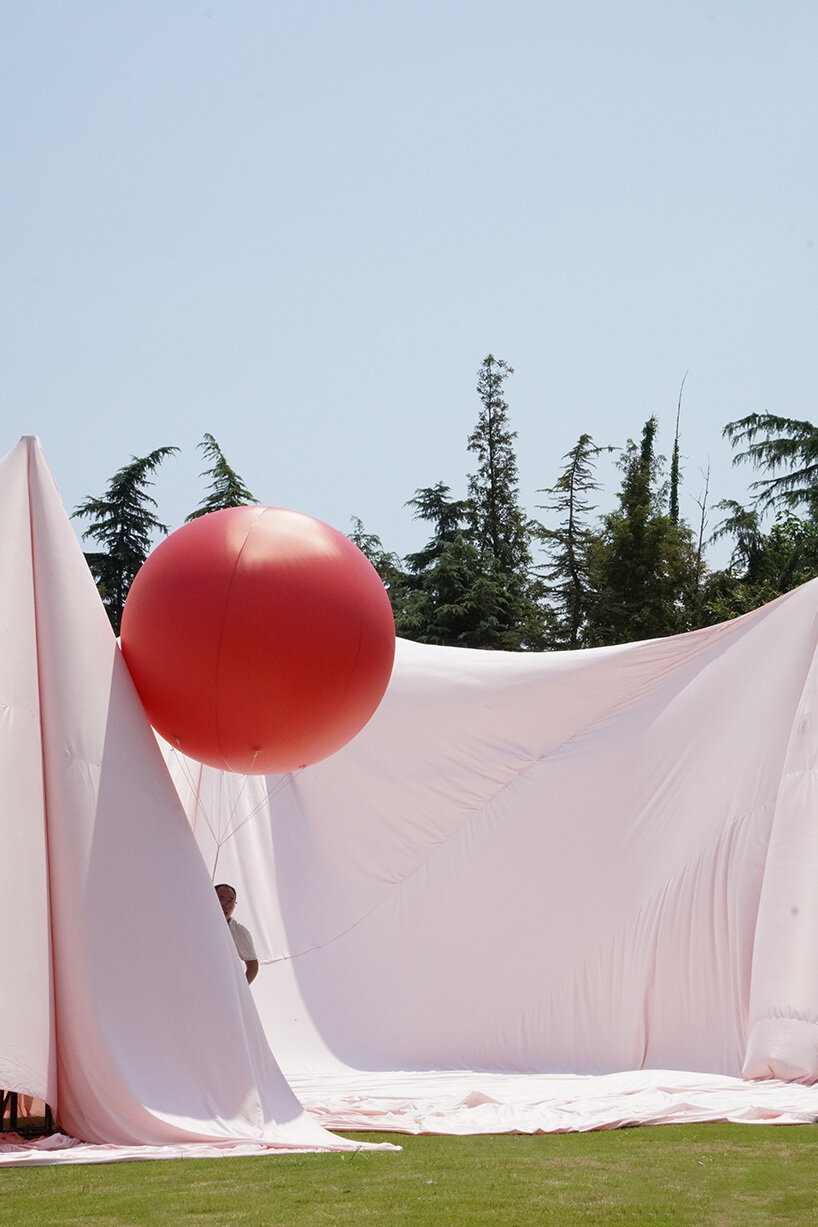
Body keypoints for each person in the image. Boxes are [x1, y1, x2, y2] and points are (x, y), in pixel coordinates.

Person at [215, 883, 259, 984]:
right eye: (221, 899)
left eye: (231, 902)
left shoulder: (239, 932)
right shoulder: (197, 921)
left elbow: (253, 965)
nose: (226, 905)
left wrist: (241, 988)